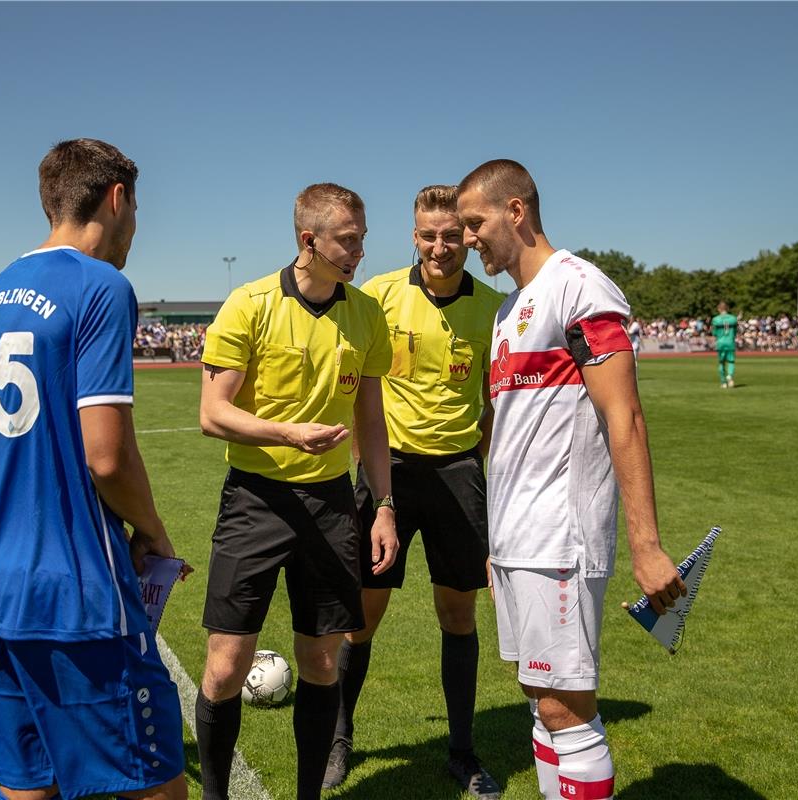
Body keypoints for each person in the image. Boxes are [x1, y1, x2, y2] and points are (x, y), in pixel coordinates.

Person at [0, 139, 187, 800]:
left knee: (29, 787)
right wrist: (154, 534)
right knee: (157, 786)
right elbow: (106, 456)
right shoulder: (102, 288)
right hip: (74, 595)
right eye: (135, 209)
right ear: (118, 198)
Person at [456, 160, 686, 800]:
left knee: (567, 709)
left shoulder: (578, 286)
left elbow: (626, 416)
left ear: (516, 212)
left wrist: (645, 544)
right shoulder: (508, 312)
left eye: (475, 223)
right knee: (541, 698)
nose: (469, 239)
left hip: (560, 535)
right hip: (515, 539)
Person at [196, 183, 398, 800]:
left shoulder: (364, 313)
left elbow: (370, 419)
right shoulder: (249, 303)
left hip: (332, 504)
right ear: (308, 240)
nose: (360, 250)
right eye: (348, 239)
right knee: (227, 665)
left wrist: (384, 504)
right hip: (255, 500)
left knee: (319, 661)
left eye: (362, 237)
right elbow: (212, 413)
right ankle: (214, 795)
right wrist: (286, 432)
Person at [323, 185, 505, 797]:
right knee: (363, 617)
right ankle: (339, 739)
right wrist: (375, 484)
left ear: (467, 237)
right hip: (388, 475)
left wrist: (471, 462)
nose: (440, 247)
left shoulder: (495, 308)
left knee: (458, 614)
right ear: (414, 235)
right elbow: (356, 395)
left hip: (458, 475)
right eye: (429, 235)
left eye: (452, 235)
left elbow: (494, 406)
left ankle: (462, 748)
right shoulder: (376, 296)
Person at [712, 301, 738, 388]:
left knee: (721, 363)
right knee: (731, 361)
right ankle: (730, 375)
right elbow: (735, 332)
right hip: (730, 341)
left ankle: (723, 382)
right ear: (727, 309)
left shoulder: (715, 319)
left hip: (720, 342)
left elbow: (714, 333)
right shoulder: (733, 318)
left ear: (719, 309)